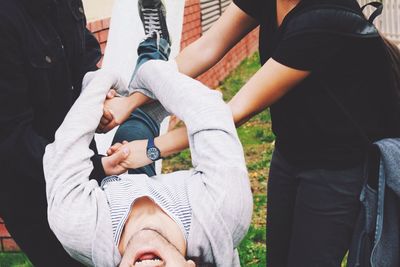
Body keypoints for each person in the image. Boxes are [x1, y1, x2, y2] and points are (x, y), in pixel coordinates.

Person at [100, 0, 400, 266]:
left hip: (338, 169)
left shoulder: (325, 18)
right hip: (290, 152)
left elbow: (232, 113)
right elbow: (206, 49)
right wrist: (131, 100)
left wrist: (152, 149)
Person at [42, 1, 253, 264]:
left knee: (132, 130)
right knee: (145, 105)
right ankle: (153, 50)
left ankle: (151, 57)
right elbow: (207, 112)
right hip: (184, 209)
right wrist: (147, 75)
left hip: (117, 202)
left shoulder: (79, 227)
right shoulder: (224, 213)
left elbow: (65, 147)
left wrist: (101, 85)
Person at [0, 0, 131, 265]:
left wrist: (97, 95)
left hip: (80, 157)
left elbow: (84, 55)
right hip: (32, 188)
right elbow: (12, 140)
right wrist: (96, 166)